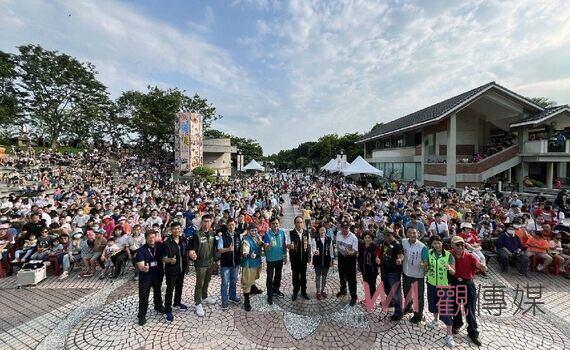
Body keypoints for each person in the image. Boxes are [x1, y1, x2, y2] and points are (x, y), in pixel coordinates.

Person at [450, 235, 486, 346]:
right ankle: (457, 324)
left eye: (462, 244)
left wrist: (482, 266)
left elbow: (479, 264)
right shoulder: (449, 255)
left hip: (467, 284)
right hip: (455, 283)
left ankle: (473, 333)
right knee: (455, 306)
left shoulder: (470, 256)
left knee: (469, 309)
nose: (460, 246)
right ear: (453, 246)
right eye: (457, 244)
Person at [425, 235, 456, 348]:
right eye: (434, 243)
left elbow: (453, 272)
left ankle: (449, 334)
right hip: (431, 284)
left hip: (444, 286)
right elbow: (427, 266)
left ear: (442, 243)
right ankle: (435, 320)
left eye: (438, 243)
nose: (437, 245)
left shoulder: (448, 255)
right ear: (432, 244)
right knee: (433, 304)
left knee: (446, 309)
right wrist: (424, 266)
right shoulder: (429, 253)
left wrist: (450, 268)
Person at [189, 215, 217, 317]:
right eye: (205, 221)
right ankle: (198, 303)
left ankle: (204, 297)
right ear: (202, 223)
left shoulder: (212, 233)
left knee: (207, 281)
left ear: (211, 222)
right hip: (200, 264)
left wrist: (215, 260)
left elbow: (215, 247)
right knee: (199, 284)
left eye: (209, 221)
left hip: (210, 262)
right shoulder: (197, 235)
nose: (207, 223)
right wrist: (192, 254)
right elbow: (192, 249)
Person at [135, 231, 165, 326]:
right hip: (146, 277)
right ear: (146, 238)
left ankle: (158, 306)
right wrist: (143, 268)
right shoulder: (141, 250)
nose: (152, 239)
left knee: (158, 291)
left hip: (158, 274)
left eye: (153, 237)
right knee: (144, 295)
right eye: (149, 238)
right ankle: (142, 315)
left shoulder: (160, 246)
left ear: (156, 237)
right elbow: (140, 265)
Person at [162, 222, 189, 322]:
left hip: (181, 269)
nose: (176, 230)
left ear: (180, 229)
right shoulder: (167, 242)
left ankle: (177, 303)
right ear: (171, 230)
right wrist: (169, 260)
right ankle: (167, 310)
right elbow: (163, 258)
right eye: (174, 229)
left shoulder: (183, 240)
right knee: (170, 290)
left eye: (178, 228)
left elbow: (187, 251)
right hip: (171, 271)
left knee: (179, 287)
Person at [401, 227, 428, 324]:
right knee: (406, 292)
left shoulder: (422, 247)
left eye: (414, 233)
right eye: (409, 233)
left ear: (418, 234)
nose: (412, 235)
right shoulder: (403, 242)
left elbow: (426, 261)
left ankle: (418, 315)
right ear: (407, 234)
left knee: (418, 296)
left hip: (418, 275)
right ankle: (408, 307)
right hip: (406, 273)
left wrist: (424, 265)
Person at [218, 218, 242, 310]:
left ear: (235, 225)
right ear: (227, 226)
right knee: (224, 283)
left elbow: (239, 248)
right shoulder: (222, 236)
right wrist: (228, 249)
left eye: (233, 225)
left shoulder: (237, 235)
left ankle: (232, 297)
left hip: (236, 263)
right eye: (230, 225)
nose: (231, 226)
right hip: (226, 264)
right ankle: (224, 301)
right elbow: (220, 249)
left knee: (233, 281)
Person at [380, 230, 404, 321]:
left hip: (393, 272)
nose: (386, 236)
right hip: (384, 270)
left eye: (388, 235)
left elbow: (401, 254)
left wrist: (400, 260)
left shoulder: (397, 245)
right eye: (384, 234)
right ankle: (390, 302)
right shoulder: (385, 243)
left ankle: (398, 313)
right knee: (386, 288)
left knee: (396, 293)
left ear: (393, 235)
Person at [263, 217, 288, 305]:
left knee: (278, 276)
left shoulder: (282, 233)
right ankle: (269, 295)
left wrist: (285, 256)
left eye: (276, 223)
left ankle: (276, 290)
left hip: (280, 258)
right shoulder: (267, 234)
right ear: (270, 225)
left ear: (279, 224)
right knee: (269, 278)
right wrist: (268, 246)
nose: (275, 225)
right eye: (273, 223)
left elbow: (284, 245)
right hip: (270, 259)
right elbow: (265, 248)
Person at [241, 223, 263, 311]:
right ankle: (246, 300)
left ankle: (253, 288)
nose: (254, 232)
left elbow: (261, 244)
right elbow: (245, 251)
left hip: (257, 262)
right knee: (247, 281)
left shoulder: (257, 237)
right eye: (252, 230)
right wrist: (249, 255)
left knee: (254, 276)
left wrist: (264, 244)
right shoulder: (246, 240)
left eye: (255, 230)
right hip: (249, 263)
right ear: (249, 231)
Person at [336, 221, 359, 306]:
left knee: (351, 279)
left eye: (346, 228)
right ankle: (343, 290)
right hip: (341, 257)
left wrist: (349, 253)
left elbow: (355, 251)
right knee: (341, 275)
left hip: (350, 259)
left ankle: (353, 297)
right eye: (343, 228)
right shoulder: (338, 234)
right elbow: (337, 245)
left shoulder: (354, 238)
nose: (345, 230)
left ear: (349, 228)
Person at [289, 216, 311, 301]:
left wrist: (309, 256)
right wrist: (289, 246)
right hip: (294, 259)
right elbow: (287, 244)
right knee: (295, 277)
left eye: (301, 222)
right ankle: (295, 292)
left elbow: (309, 245)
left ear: (303, 223)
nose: (299, 224)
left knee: (303, 276)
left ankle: (303, 292)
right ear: (295, 223)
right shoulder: (291, 233)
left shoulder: (306, 233)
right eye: (297, 222)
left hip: (304, 259)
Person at [311, 226, 334, 300]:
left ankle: (323, 290)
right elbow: (313, 248)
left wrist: (331, 259)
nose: (322, 231)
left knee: (324, 277)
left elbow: (331, 250)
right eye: (321, 230)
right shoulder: (315, 239)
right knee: (318, 277)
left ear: (326, 231)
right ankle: (318, 292)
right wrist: (315, 252)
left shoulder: (329, 239)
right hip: (317, 261)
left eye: (324, 230)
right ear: (318, 231)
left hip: (326, 261)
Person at [358, 231, 379, 298]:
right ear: (363, 238)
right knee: (366, 284)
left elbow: (377, 257)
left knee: (372, 285)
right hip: (364, 270)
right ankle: (368, 297)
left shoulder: (375, 247)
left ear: (372, 238)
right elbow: (360, 257)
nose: (367, 239)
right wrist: (359, 266)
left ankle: (372, 298)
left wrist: (377, 259)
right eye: (365, 238)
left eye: (369, 238)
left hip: (372, 271)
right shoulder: (362, 246)